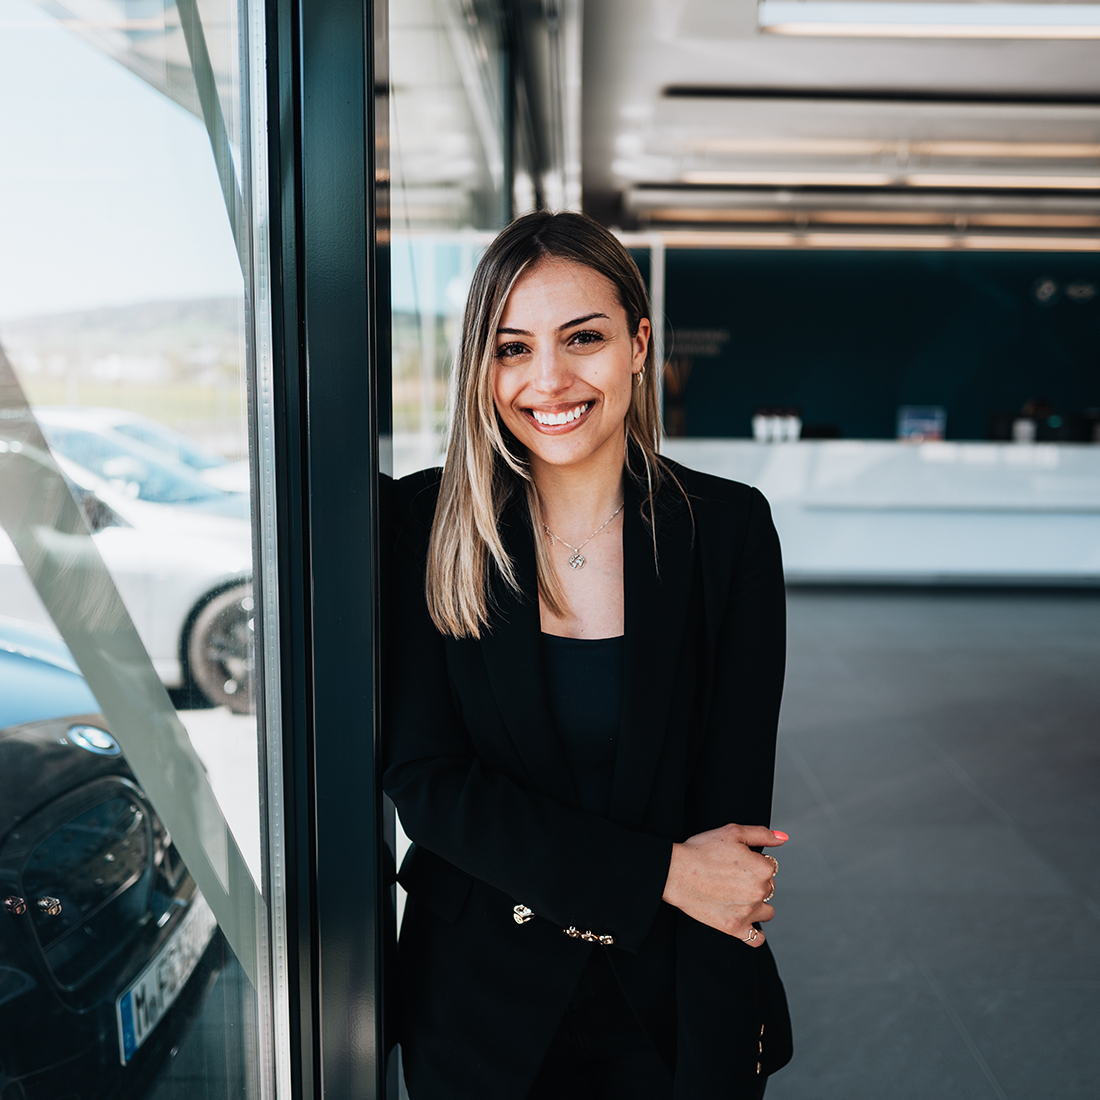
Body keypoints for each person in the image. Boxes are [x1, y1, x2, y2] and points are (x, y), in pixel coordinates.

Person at [385, 210, 792, 1100]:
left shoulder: (724, 533)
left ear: (640, 345)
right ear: (479, 367)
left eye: (584, 339)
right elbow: (429, 784)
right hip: (479, 1005)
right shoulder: (419, 526)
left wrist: (720, 1053)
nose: (550, 380)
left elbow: (730, 831)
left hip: (667, 999)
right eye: (511, 348)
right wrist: (660, 874)